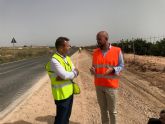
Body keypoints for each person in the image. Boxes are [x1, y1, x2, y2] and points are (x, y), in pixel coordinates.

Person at [90, 31, 124, 124]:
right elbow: (94, 66)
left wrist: (113, 70)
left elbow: (121, 65)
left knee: (112, 111)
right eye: (97, 39)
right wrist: (92, 70)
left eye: (99, 39)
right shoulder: (95, 52)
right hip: (98, 86)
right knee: (103, 110)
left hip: (111, 86)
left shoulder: (117, 50)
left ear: (106, 39)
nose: (98, 41)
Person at [45, 37, 79, 124]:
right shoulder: (54, 60)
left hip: (70, 92)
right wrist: (73, 73)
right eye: (68, 46)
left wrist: (69, 74)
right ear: (60, 48)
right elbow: (65, 75)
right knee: (61, 119)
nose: (69, 47)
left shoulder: (67, 58)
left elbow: (73, 70)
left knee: (67, 116)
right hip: (61, 94)